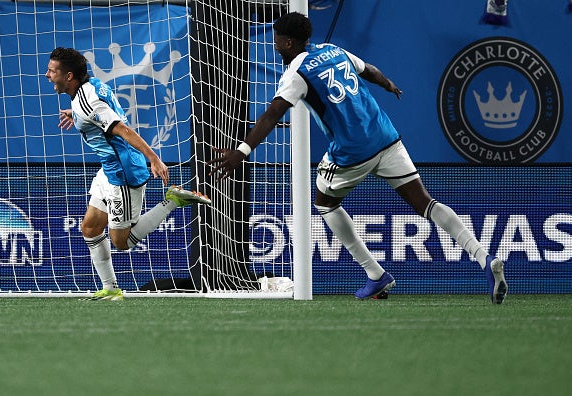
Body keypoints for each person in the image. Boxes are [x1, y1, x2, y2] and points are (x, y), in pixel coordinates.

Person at [207, 12, 508, 304]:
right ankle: (484, 257)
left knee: (324, 203)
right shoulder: (333, 50)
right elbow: (370, 70)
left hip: (353, 151)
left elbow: (273, 113)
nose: (274, 46)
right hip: (386, 137)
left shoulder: (296, 72)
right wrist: (388, 84)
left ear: (287, 42)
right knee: (425, 203)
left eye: (276, 40)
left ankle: (374, 273)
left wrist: (241, 151)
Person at [46, 47, 210, 301]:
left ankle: (172, 201)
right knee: (90, 228)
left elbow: (122, 129)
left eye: (52, 71)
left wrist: (154, 158)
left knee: (122, 242)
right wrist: (75, 113)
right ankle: (111, 290)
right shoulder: (88, 88)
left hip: (123, 172)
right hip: (108, 169)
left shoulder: (88, 101)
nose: (47, 75)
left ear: (69, 76)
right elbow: (100, 110)